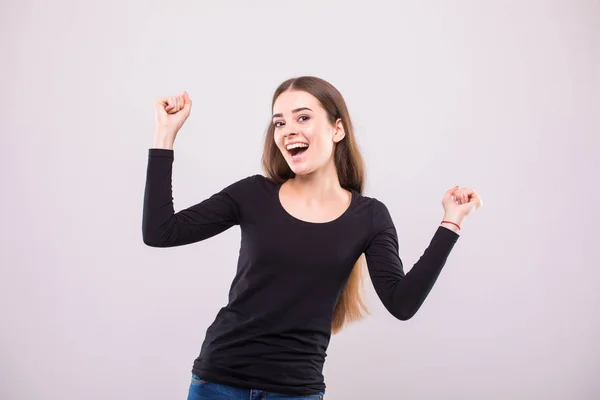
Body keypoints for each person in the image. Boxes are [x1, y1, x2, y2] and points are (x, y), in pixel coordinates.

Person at [142, 76, 482, 400]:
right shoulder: (252, 194)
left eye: (302, 117)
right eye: (279, 122)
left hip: (295, 391)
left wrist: (451, 223)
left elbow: (402, 303)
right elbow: (161, 232)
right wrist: (165, 134)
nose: (289, 130)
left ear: (338, 129)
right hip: (217, 382)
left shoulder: (370, 216)